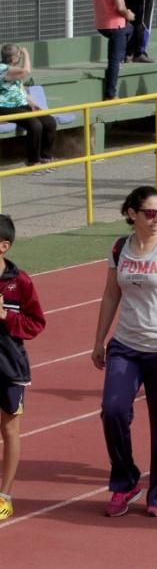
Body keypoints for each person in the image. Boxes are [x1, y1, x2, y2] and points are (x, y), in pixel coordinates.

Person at [92, 186, 157, 517]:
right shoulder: (120, 248)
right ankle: (125, 482)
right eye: (150, 213)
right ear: (132, 214)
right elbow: (111, 295)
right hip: (126, 346)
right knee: (113, 411)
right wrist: (99, 339)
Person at [0, 215, 46, 521]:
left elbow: (36, 323)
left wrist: (6, 317)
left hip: (8, 367)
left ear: (3, 246)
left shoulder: (21, 282)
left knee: (9, 429)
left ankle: (4, 495)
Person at [0, 44, 57, 172]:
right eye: (18, 55)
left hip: (20, 104)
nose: (19, 57)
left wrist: (32, 102)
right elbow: (26, 71)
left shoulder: (12, 68)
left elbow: (19, 89)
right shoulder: (2, 69)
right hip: (4, 107)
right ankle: (33, 161)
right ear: (14, 58)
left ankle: (46, 158)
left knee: (49, 122)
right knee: (35, 125)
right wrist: (26, 54)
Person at [93, 0, 135, 101]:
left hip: (101, 24)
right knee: (113, 61)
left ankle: (122, 58)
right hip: (115, 25)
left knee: (130, 30)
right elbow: (120, 7)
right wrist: (128, 14)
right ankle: (110, 94)